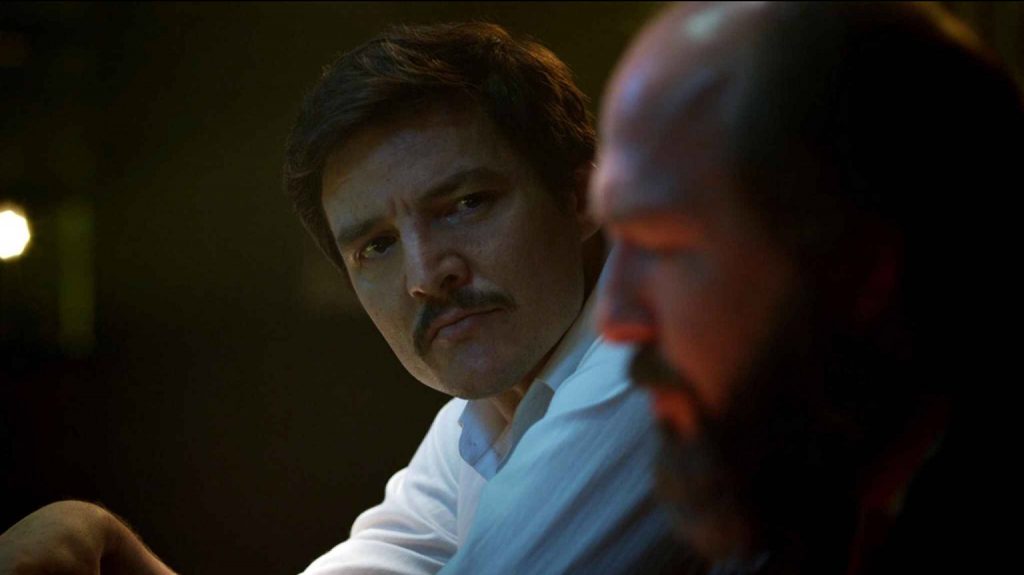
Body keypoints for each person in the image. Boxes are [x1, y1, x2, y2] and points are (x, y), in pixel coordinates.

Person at [0, 22, 677, 575]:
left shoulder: (654, 367)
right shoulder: (477, 423)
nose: (425, 274)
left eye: (467, 204)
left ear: (585, 198)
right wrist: (106, 543)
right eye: (377, 245)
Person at [590, 2, 1023, 574]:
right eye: (617, 239)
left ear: (855, 260)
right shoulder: (819, 505)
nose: (614, 321)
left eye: (661, 245)